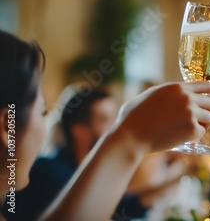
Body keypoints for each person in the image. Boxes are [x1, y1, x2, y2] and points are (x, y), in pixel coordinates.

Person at [0, 30, 210, 220]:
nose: (114, 124)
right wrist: (131, 135)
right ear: (7, 127)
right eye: (42, 112)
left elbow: (126, 204)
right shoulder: (47, 172)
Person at [5, 88, 153, 220]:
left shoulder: (82, 168)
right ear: (79, 131)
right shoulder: (47, 171)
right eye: (106, 119)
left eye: (117, 118)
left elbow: (123, 206)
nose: (117, 126)